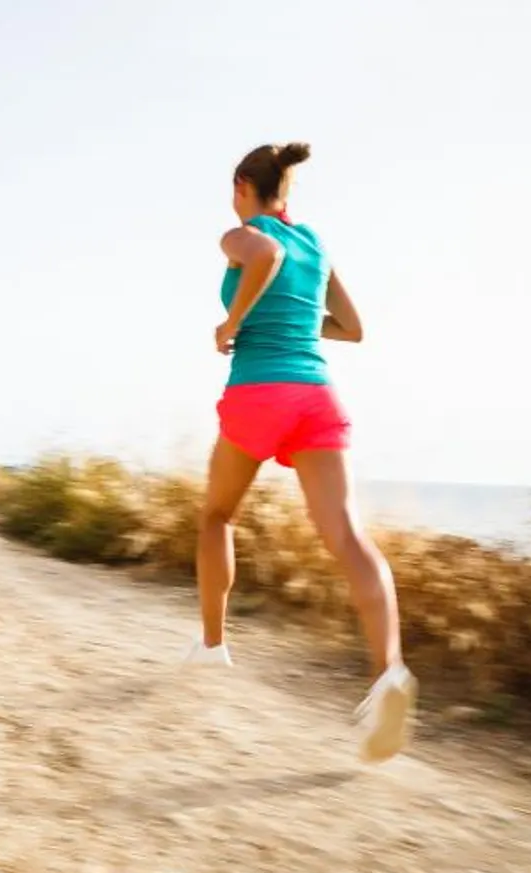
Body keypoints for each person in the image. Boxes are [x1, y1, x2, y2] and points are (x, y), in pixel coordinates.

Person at [185, 141, 417, 765]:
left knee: (217, 516)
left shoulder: (243, 236)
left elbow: (265, 253)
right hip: (316, 394)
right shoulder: (316, 243)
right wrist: (291, 321)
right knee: (347, 536)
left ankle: (212, 646)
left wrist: (233, 323)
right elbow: (352, 328)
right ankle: (389, 671)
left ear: (243, 185)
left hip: (259, 391)